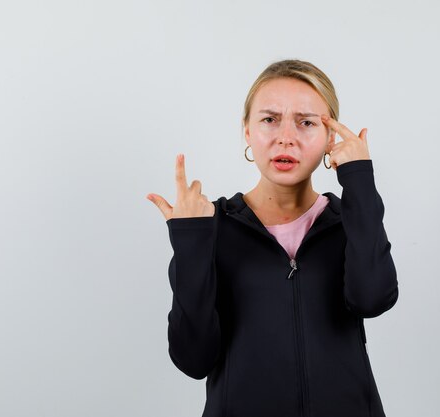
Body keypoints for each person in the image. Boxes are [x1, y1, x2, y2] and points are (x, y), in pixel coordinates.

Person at [146, 59, 399, 417]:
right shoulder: (212, 227)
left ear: (330, 137)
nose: (286, 137)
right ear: (247, 132)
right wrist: (190, 242)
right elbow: (193, 358)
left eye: (306, 122)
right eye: (269, 119)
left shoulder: (351, 220)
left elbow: (372, 299)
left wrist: (360, 181)